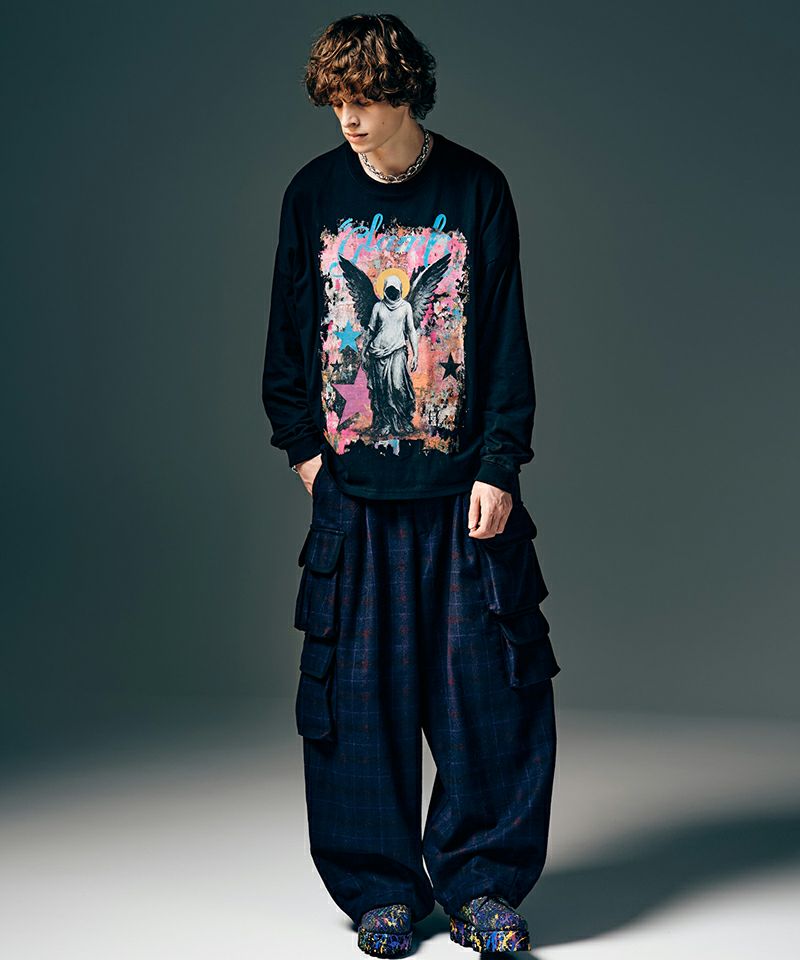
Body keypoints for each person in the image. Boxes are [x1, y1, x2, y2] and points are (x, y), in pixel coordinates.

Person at [261, 13, 561, 957]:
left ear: (406, 94)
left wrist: (501, 462)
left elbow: (505, 338)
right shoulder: (313, 194)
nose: (349, 119)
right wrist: (309, 455)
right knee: (355, 702)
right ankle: (381, 892)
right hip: (354, 499)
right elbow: (286, 342)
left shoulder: (477, 189)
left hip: (463, 493)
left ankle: (483, 888)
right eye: (336, 102)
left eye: (365, 99)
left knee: (492, 698)